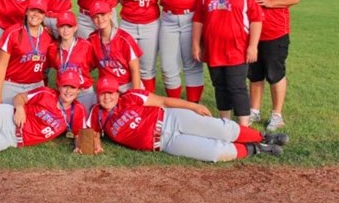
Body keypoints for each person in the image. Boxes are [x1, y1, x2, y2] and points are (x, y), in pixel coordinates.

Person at [87, 77, 289, 162]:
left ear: (117, 92)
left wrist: (194, 106)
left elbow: (164, 101)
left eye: (111, 93)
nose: (107, 97)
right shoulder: (97, 114)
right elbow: (90, 135)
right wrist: (94, 144)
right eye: (103, 93)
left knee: (223, 130)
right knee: (215, 152)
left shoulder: (130, 97)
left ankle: (263, 136)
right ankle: (258, 149)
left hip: (171, 119)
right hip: (164, 143)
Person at [238, 0, 301, 131]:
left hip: (274, 30)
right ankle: (254, 110)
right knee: (254, 74)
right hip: (249, 30)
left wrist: (270, 2)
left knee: (275, 73)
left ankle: (276, 114)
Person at [192, 0, 264, 126]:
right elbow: (198, 19)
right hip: (214, 48)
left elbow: (256, 19)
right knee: (220, 87)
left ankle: (243, 126)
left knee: (237, 87)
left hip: (237, 49)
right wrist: (195, 44)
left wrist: (253, 46)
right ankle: (225, 123)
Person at [117, 0, 161, 93]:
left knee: (147, 68)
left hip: (150, 24)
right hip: (127, 24)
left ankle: (147, 101)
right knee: (125, 64)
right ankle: (128, 99)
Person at [0, 0, 54, 104]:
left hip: (35, 85)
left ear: (44, 15)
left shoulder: (48, 36)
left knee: (34, 118)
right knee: (8, 117)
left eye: (40, 12)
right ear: (26, 11)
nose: (36, 14)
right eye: (33, 10)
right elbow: (2, 65)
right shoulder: (13, 32)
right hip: (12, 84)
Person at [88, 1, 143, 92]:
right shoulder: (92, 39)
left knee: (160, 103)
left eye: (103, 14)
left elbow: (135, 70)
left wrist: (135, 93)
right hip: (107, 87)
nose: (100, 19)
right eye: (95, 17)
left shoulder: (124, 39)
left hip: (128, 85)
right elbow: (87, 65)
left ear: (110, 14)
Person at [47, 11, 97, 110]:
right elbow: (54, 65)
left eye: (69, 26)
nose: (65, 30)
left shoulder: (86, 45)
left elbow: (92, 64)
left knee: (85, 123)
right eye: (62, 26)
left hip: (84, 91)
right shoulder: (52, 48)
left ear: (75, 28)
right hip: (64, 93)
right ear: (57, 28)